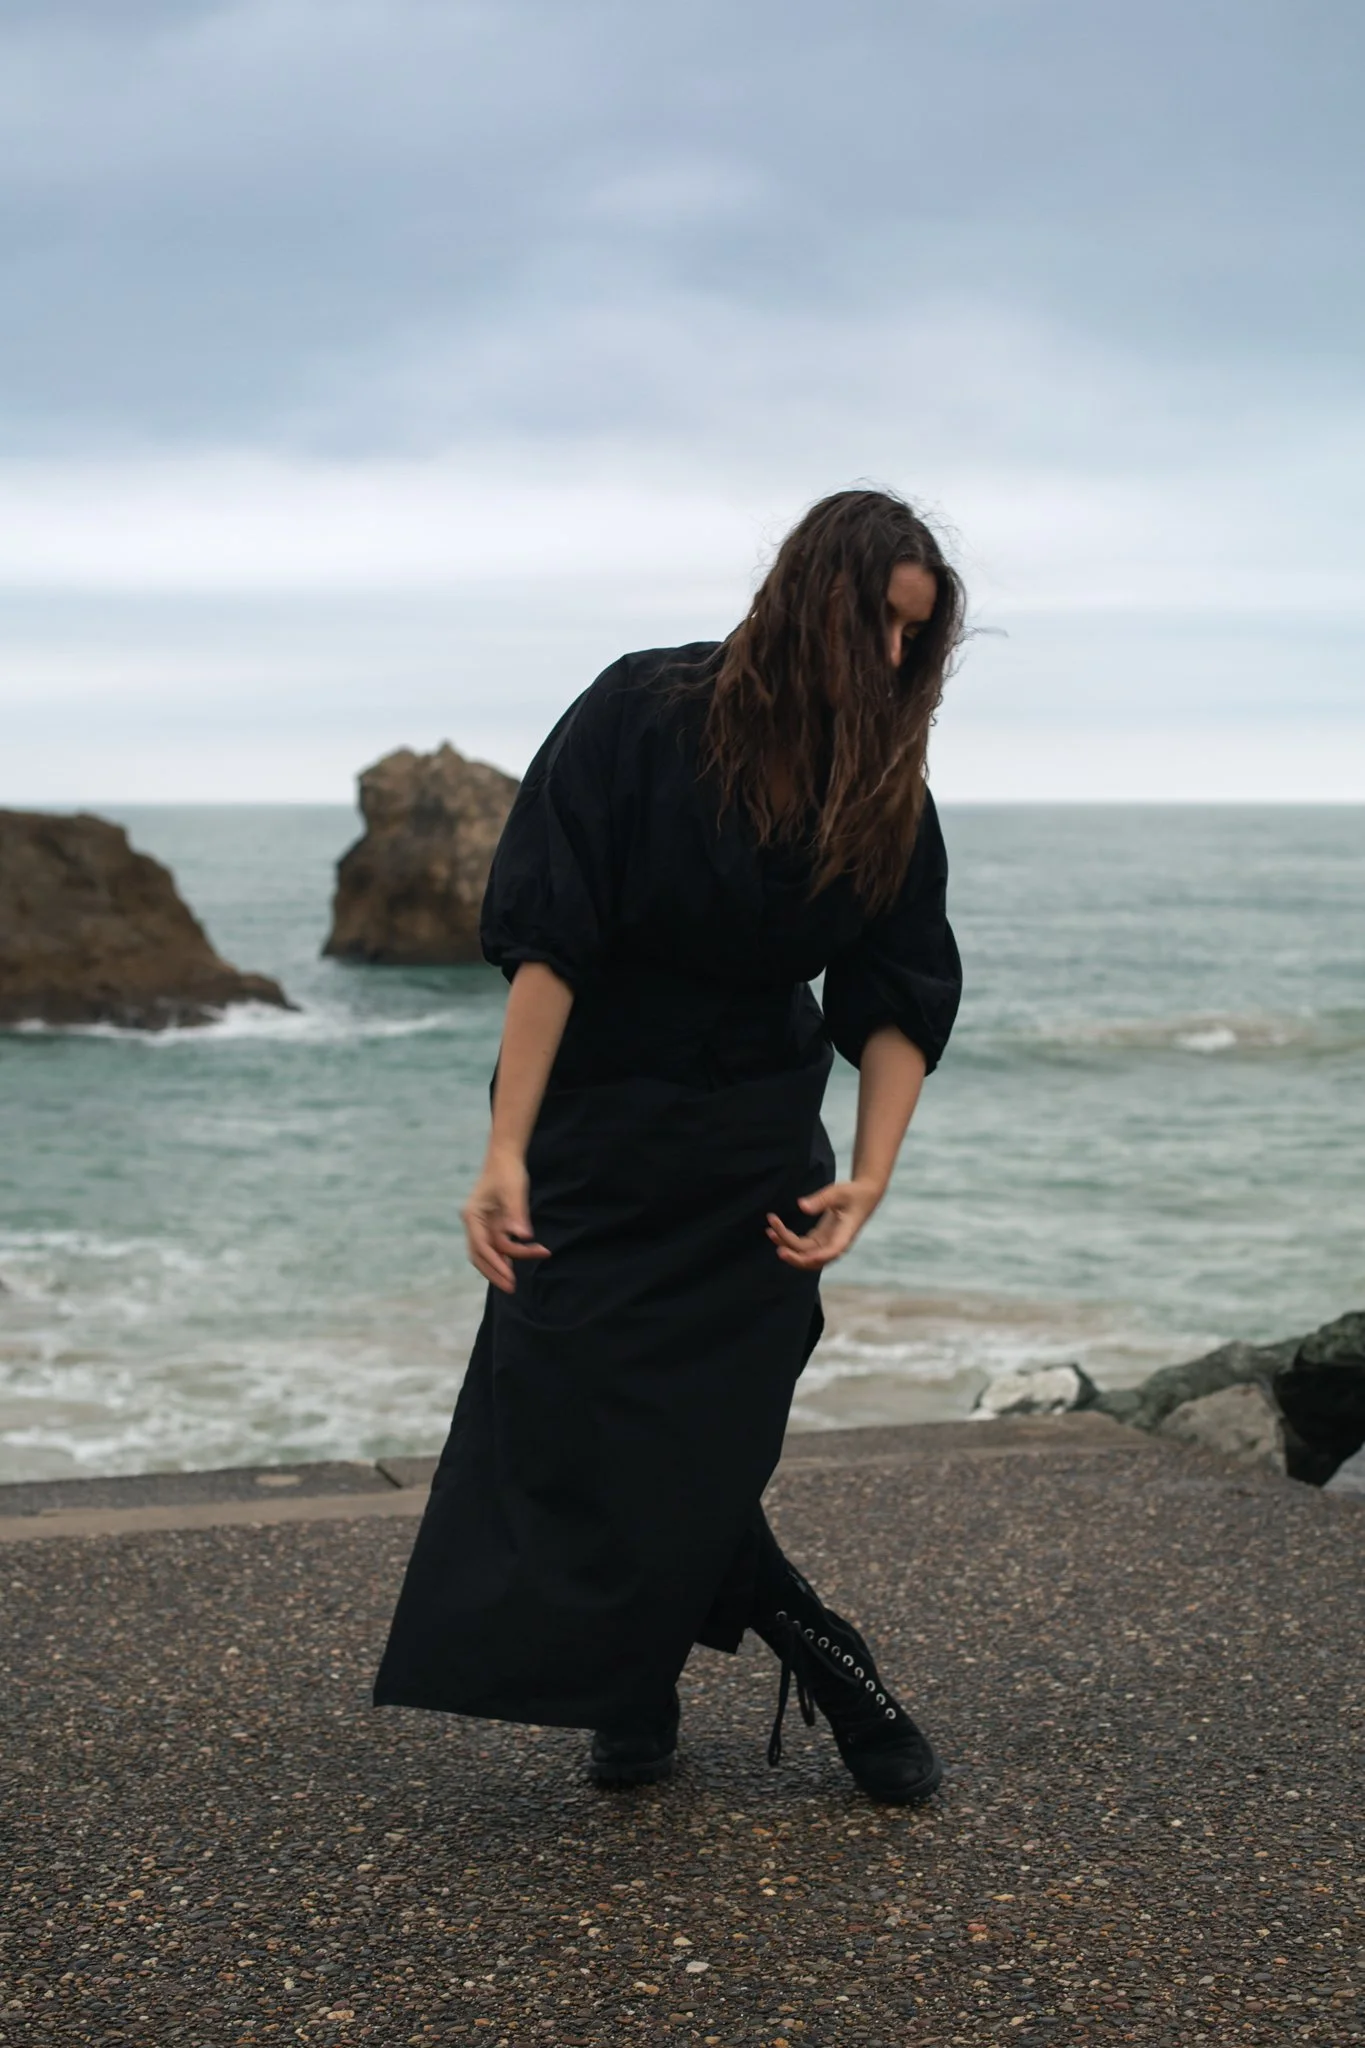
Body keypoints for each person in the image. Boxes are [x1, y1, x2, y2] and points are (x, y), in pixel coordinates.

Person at [374, 488, 964, 1804]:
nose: (887, 658)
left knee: (700, 1439)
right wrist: (504, 1146)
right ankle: (824, 1654)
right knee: (569, 1420)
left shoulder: (883, 787)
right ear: (811, 594)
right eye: (874, 621)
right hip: (595, 1130)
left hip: (756, 1148)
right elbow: (551, 935)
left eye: (911, 642)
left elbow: (901, 990)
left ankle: (634, 1687)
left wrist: (871, 1173)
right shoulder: (642, 712)